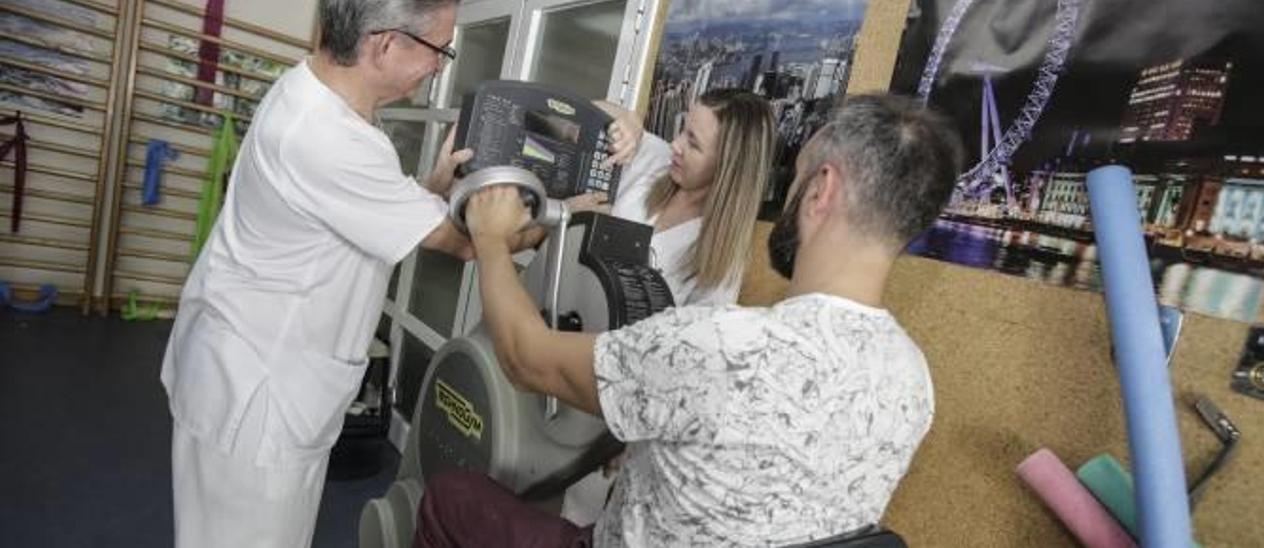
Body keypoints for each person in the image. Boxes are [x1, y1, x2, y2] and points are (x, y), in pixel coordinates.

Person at [157, 1, 637, 546]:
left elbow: (360, 216)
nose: (439, 66)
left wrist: (430, 187)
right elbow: (466, 243)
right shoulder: (327, 136)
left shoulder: (319, 93)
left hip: (253, 363)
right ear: (385, 44)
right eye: (439, 50)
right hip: (258, 394)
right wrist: (566, 211)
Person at [417, 93, 964, 546]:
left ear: (821, 191)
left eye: (795, 184)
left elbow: (525, 357)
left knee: (451, 497)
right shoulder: (914, 380)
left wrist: (489, 238)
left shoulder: (717, 344)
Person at [571, 89, 776, 306]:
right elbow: (582, 110)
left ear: (727, 167)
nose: (675, 145)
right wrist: (628, 118)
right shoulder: (656, 157)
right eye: (683, 130)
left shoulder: (720, 260)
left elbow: (692, 336)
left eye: (694, 143)